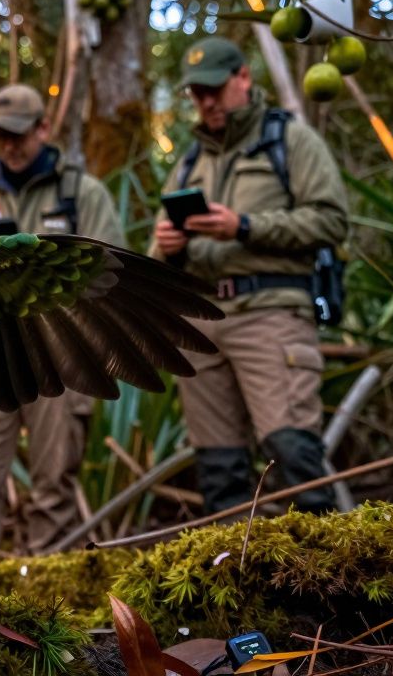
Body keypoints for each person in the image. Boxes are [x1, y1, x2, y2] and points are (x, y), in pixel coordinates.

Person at [149, 36, 349, 515]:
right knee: (219, 468)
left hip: (271, 313)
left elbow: (331, 220)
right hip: (201, 324)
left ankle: (327, 577)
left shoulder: (289, 139)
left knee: (292, 450)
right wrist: (167, 247)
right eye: (197, 93)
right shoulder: (188, 164)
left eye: (215, 88)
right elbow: (155, 259)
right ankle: (238, 580)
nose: (207, 101)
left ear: (243, 77)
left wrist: (243, 226)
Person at [0, 83, 125, 578]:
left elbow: (114, 276)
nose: (10, 145)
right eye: (0, 135)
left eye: (19, 134)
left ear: (43, 129)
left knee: (52, 487)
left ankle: (50, 600)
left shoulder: (82, 195)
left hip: (58, 359)